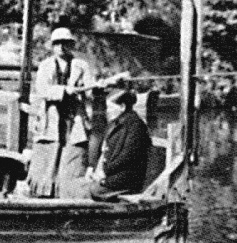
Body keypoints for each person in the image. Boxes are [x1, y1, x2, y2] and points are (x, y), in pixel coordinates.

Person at [27, 27, 96, 197]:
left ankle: (66, 193)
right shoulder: (46, 65)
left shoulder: (81, 65)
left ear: (71, 45)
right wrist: (64, 91)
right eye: (57, 43)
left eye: (65, 43)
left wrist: (92, 90)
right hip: (51, 118)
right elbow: (42, 90)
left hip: (74, 119)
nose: (61, 47)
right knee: (48, 156)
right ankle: (44, 193)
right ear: (52, 46)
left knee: (72, 156)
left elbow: (90, 91)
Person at [63, 89, 151, 201]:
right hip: (115, 177)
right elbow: (107, 152)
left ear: (122, 107)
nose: (107, 111)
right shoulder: (118, 124)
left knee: (84, 191)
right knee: (73, 186)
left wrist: (104, 173)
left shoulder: (136, 126)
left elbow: (127, 156)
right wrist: (95, 170)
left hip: (126, 180)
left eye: (110, 107)